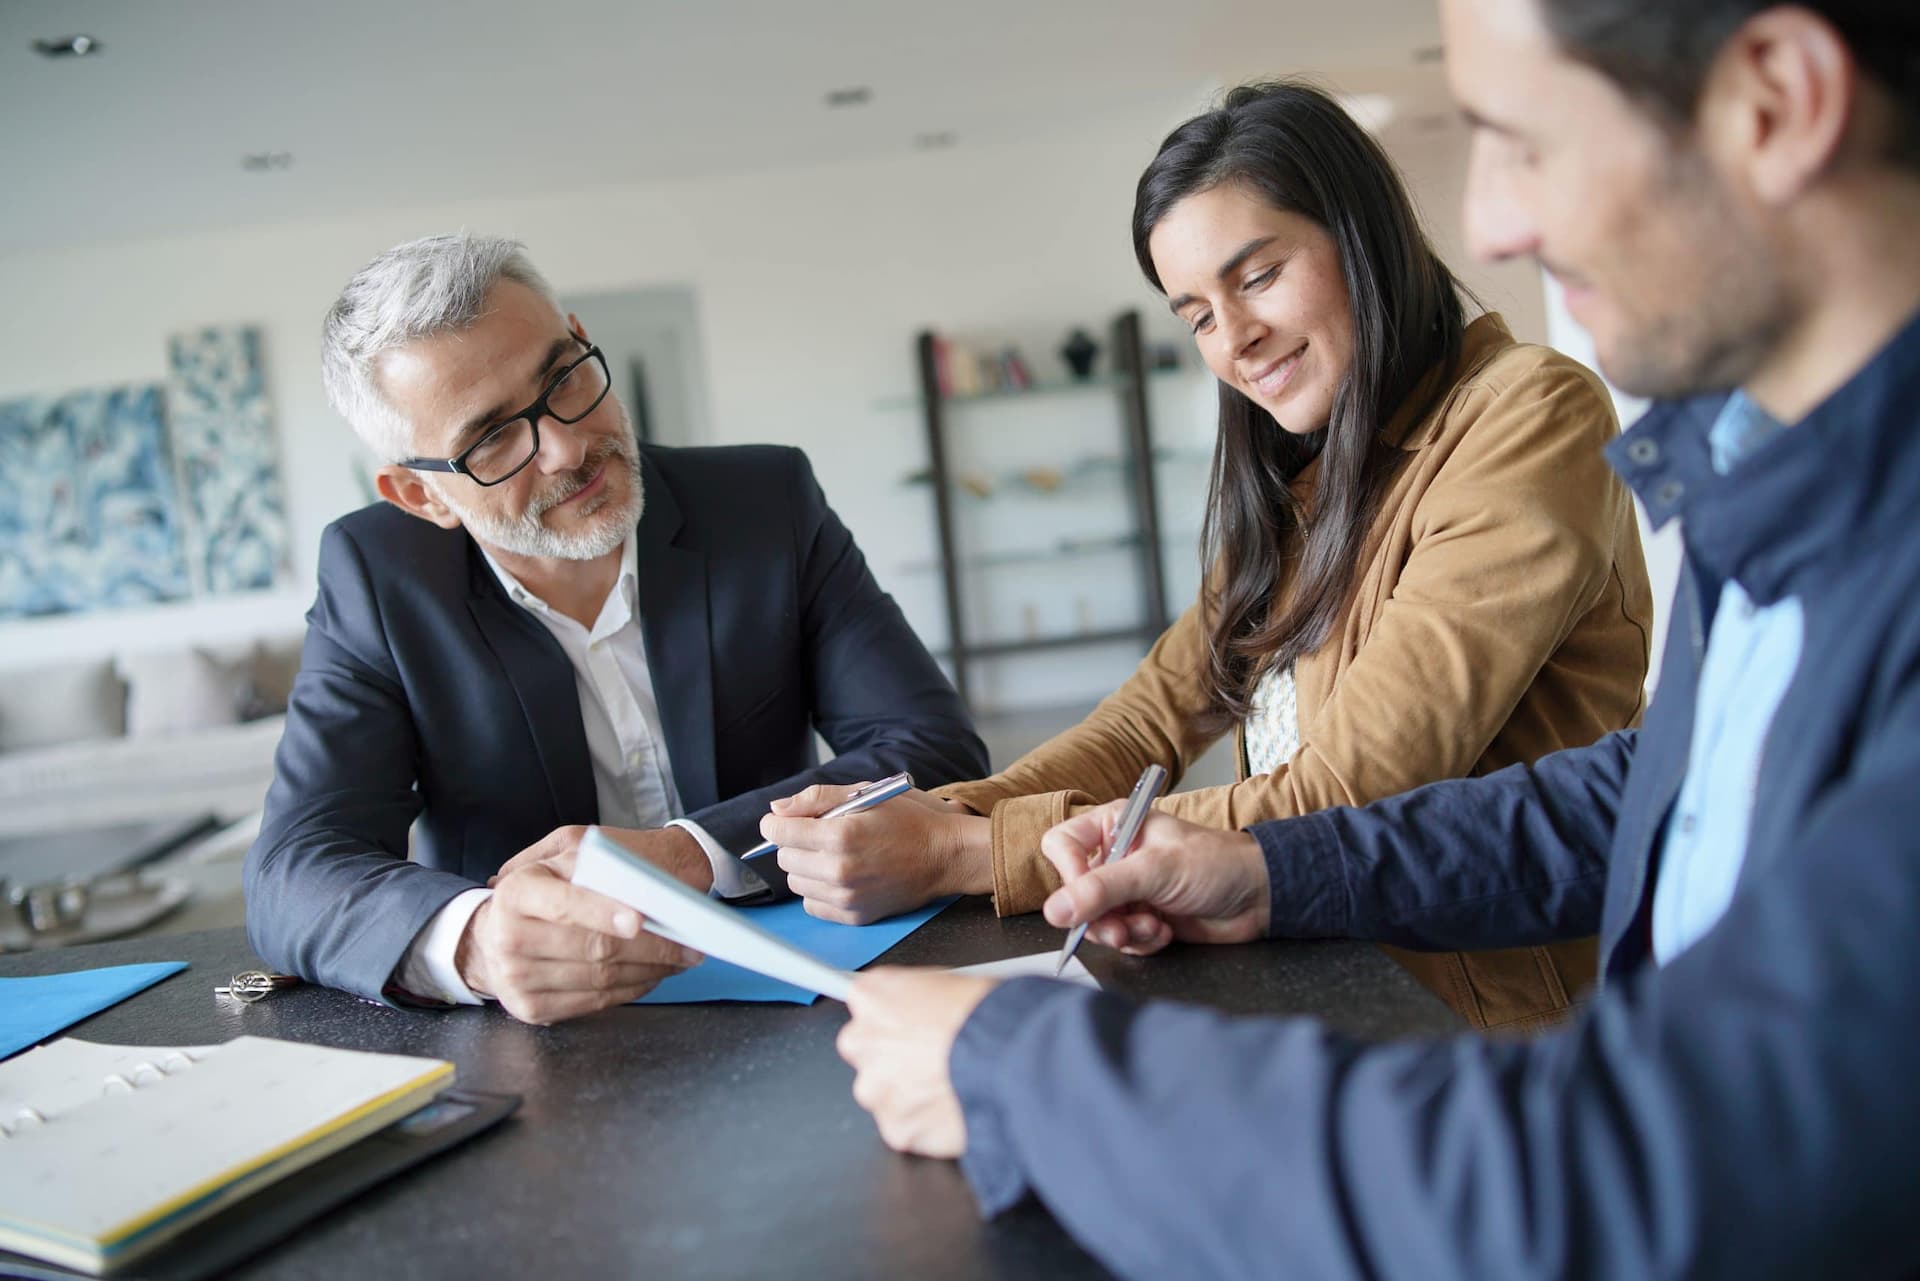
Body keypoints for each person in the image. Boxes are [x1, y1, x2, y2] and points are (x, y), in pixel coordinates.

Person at [836, 1, 1920, 1276]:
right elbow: (1641, 791)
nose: (1496, 224)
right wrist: (1260, 870)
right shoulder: (1760, 479)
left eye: (1524, 142)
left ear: (1778, 103)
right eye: (1195, 309)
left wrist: (1015, 1043)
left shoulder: (1545, 420)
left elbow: (1641, 1168)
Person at [763, 80, 1652, 1032]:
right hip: (1325, 987)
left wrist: (959, 853)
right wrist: (924, 814)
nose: (1233, 339)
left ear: (1364, 237)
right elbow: (1143, 727)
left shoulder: (1528, 413)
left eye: (1259, 276)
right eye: (1195, 314)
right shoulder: (1306, 476)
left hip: (1502, 1032)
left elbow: (1342, 799)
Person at [243, 234, 987, 1024]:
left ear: (583, 338)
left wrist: (689, 854)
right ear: (419, 495)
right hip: (543, 1041)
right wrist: (477, 942)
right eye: (492, 437)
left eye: (563, 376)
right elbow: (294, 870)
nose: (568, 446)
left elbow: (929, 745)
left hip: (806, 990)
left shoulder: (766, 502)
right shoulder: (376, 576)